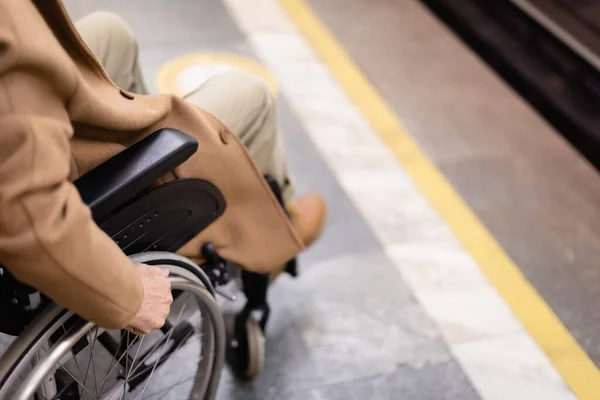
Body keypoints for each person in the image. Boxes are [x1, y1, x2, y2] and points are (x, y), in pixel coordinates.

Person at [0, 0, 325, 334]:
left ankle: (150, 142)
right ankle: (275, 234)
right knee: (250, 95)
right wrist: (129, 294)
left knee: (111, 32)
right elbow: (28, 219)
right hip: (58, 189)